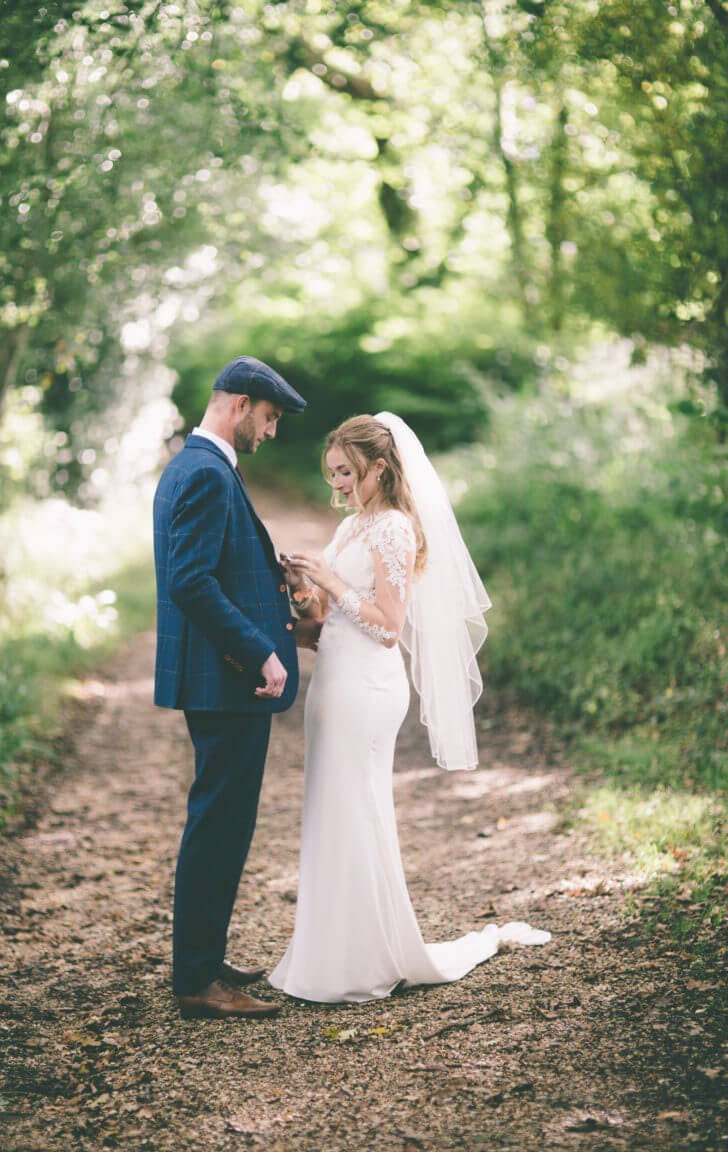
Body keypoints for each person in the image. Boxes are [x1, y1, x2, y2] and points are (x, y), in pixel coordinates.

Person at [269, 413, 550, 1003]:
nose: (339, 484)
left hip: (368, 687)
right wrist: (301, 590)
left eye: (347, 472)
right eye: (333, 474)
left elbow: (389, 627)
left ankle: (363, 960)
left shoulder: (394, 529)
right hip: (335, 681)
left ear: (378, 466)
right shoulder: (351, 528)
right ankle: (330, 954)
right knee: (331, 810)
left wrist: (331, 583)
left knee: (358, 809)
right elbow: (326, 619)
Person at [153, 355, 310, 1020]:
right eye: (270, 418)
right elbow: (191, 581)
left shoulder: (196, 466)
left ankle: (204, 959)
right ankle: (195, 981)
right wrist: (259, 654)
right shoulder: (208, 473)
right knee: (219, 826)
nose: (270, 432)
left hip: (219, 679)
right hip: (226, 680)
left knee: (222, 822)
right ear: (241, 404)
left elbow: (214, 568)